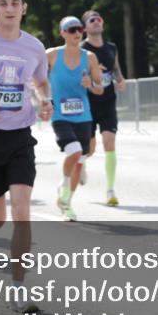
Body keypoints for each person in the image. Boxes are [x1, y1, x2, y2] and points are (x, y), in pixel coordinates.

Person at [0, 0, 53, 312]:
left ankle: (19, 288)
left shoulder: (34, 47)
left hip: (20, 135)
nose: (9, 8)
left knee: (22, 211)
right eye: (3, 3)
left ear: (24, 9)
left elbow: (41, 81)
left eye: (14, 3)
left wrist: (45, 100)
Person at [48, 16, 104, 221]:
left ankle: (67, 203)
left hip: (83, 116)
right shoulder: (51, 55)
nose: (77, 33)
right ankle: (63, 185)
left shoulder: (89, 57)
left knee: (80, 162)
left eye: (79, 29)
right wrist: (43, 100)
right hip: (60, 115)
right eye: (71, 30)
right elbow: (37, 80)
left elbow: (100, 89)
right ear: (62, 33)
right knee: (75, 151)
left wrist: (90, 84)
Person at [80, 10, 127, 206]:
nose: (96, 22)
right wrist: (92, 77)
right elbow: (78, 74)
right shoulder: (82, 50)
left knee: (109, 142)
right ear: (85, 28)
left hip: (108, 102)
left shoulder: (111, 48)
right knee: (89, 149)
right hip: (88, 104)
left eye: (99, 19)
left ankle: (110, 190)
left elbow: (115, 68)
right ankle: (81, 162)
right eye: (92, 20)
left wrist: (120, 79)